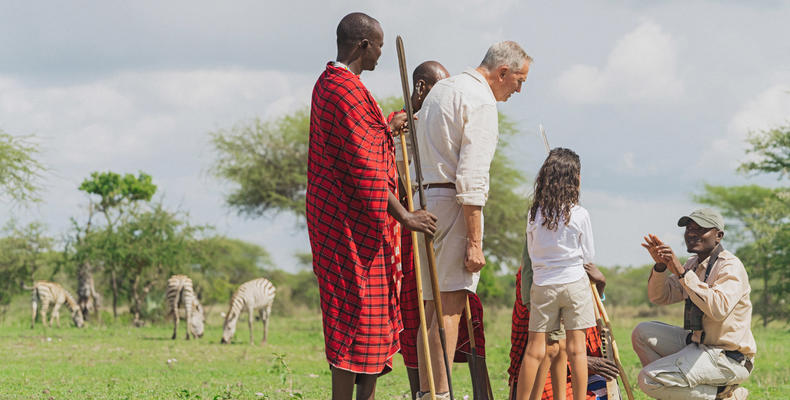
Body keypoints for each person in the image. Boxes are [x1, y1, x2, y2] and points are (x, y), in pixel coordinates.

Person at [306, 12, 438, 400]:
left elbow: (372, 133)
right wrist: (406, 216)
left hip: (361, 227)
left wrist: (402, 115)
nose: (381, 53)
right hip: (347, 226)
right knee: (354, 315)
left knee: (371, 314)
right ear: (363, 45)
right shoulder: (342, 90)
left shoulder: (339, 86)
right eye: (378, 45)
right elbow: (364, 167)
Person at [413, 41, 532, 400]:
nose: (519, 89)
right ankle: (441, 394)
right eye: (519, 81)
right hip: (451, 201)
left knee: (430, 309)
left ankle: (425, 392)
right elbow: (472, 178)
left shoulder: (442, 90)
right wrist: (475, 242)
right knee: (449, 309)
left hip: (423, 200)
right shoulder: (480, 100)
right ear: (502, 73)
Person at [635, 208, 755, 400]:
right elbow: (660, 297)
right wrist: (660, 267)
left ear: (719, 236)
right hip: (698, 345)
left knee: (649, 380)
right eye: (689, 228)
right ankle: (677, 390)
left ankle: (723, 395)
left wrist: (683, 274)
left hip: (727, 356)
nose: (691, 233)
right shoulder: (694, 264)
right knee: (642, 333)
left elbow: (718, 309)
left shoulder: (730, 266)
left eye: (700, 229)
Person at [515, 148, 597, 400]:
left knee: (534, 350)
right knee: (577, 351)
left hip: (542, 285)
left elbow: (531, 252)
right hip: (574, 283)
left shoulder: (533, 214)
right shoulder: (580, 214)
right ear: (575, 179)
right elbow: (589, 256)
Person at [508, 265, 620, 400]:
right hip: (545, 368)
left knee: (610, 393)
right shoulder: (534, 273)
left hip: (582, 371)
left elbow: (587, 321)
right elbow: (537, 342)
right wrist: (582, 360)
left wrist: (599, 287)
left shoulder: (579, 268)